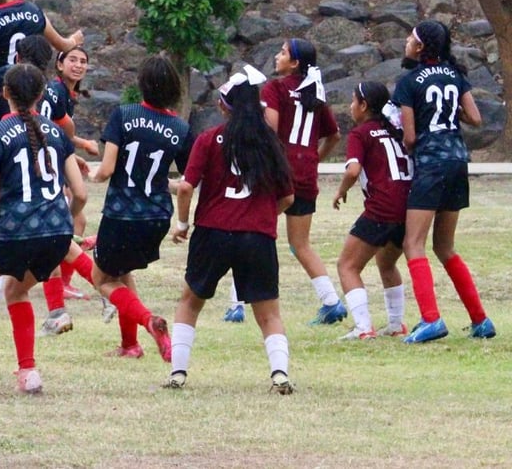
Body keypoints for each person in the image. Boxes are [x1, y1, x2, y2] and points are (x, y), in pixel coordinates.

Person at [0, 63, 87, 393]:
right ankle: (28, 372)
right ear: (41, 94)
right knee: (16, 290)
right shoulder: (56, 132)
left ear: (5, 92)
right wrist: (64, 220)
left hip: (16, 230)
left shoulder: (0, 130)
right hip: (56, 234)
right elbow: (80, 193)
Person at [167, 65, 295, 393]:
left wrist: (182, 224)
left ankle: (178, 372)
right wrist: (261, 215)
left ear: (224, 107)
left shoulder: (209, 139)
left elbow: (186, 187)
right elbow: (288, 197)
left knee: (190, 302)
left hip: (213, 232)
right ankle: (280, 373)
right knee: (269, 313)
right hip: (257, 237)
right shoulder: (270, 144)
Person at [393, 20, 495, 343]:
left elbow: (410, 138)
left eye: (410, 38)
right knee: (445, 247)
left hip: (431, 164)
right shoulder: (455, 74)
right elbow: (475, 118)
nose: (406, 42)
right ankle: (480, 320)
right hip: (457, 162)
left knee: (413, 243)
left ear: (420, 47)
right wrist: (452, 112)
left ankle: (431, 318)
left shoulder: (408, 81)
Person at [0, 0, 84, 240]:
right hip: (29, 93)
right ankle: (33, 225)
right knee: (30, 168)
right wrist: (74, 39)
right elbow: (63, 44)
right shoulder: (34, 12)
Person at [90, 55, 193, 359]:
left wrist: (91, 175)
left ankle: (149, 321)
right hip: (157, 216)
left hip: (122, 214)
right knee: (122, 273)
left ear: (142, 85)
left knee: (102, 279)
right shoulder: (180, 128)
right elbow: (187, 181)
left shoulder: (124, 115)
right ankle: (129, 346)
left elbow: (107, 169)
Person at [263, 38, 346, 325]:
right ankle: (331, 301)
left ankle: (237, 303)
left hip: (279, 174)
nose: (277, 56)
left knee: (255, 233)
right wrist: (313, 159)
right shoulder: (315, 92)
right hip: (305, 174)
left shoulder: (275, 89)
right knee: (301, 244)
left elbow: (271, 131)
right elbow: (334, 135)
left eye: (283, 53)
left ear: (295, 63)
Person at [332, 81, 413, 340]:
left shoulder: (361, 133)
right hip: (408, 208)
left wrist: (341, 191)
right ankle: (396, 324)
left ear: (364, 105)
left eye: (353, 101)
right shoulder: (395, 129)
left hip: (382, 208)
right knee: (386, 262)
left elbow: (353, 171)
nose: (350, 106)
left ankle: (363, 327)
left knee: (347, 266)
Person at [37, 46, 103, 334]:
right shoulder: (55, 91)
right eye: (72, 60)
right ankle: (67, 285)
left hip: (52, 156)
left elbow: (57, 130)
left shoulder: (65, 93)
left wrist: (75, 150)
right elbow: (45, 127)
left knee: (76, 220)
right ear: (59, 65)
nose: (78, 65)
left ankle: (62, 285)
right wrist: (77, 149)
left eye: (83, 61)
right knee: (66, 225)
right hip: (45, 160)